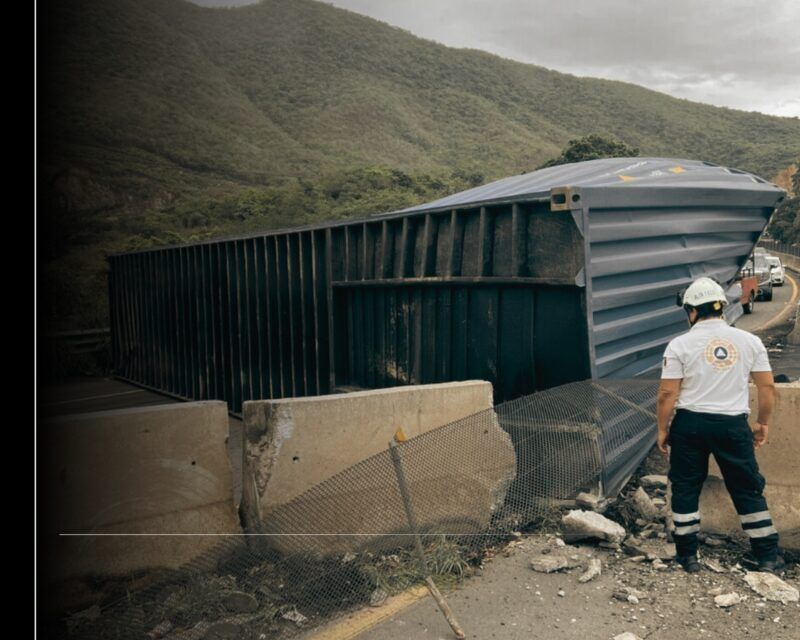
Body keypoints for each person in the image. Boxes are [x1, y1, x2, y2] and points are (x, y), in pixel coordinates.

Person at [656, 276, 783, 573]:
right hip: (733, 426)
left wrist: (663, 429)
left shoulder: (679, 345)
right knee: (747, 488)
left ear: (692, 311)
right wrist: (762, 423)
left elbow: (667, 394)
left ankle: (688, 557)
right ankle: (767, 556)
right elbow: (767, 388)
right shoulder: (750, 342)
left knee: (686, 487)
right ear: (722, 308)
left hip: (690, 425)